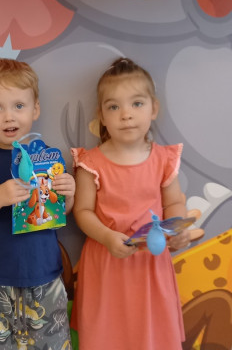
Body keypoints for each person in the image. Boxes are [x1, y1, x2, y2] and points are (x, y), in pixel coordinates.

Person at [71, 57, 191, 349]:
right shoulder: (90, 163)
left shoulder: (163, 159)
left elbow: (174, 204)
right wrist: (107, 236)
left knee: (151, 336)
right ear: (102, 115)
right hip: (106, 262)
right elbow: (82, 211)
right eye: (114, 107)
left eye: (137, 104)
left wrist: (177, 232)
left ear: (154, 109)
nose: (126, 115)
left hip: (151, 262)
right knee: (106, 336)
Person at [0, 58, 74, 349]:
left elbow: (59, 214)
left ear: (35, 109)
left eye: (18, 106)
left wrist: (69, 193)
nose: (8, 117)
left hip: (44, 280)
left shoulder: (48, 158)